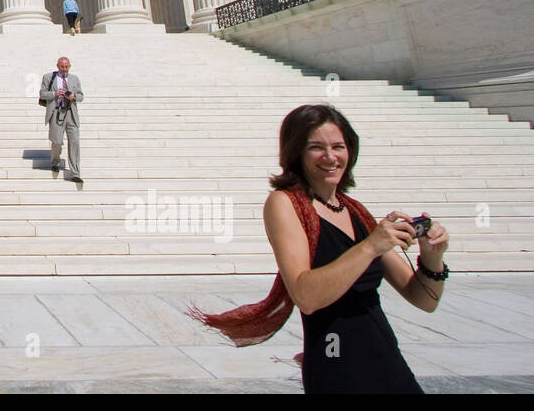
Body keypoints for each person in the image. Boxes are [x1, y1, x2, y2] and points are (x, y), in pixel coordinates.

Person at [191, 104, 450, 394]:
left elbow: (424, 300)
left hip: (387, 361)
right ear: (296, 152)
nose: (330, 157)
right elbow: (306, 296)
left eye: (338, 146)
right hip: (336, 366)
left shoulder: (356, 212)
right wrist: (370, 246)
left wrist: (432, 256)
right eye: (316, 147)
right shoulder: (286, 204)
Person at [39, 56, 84, 185]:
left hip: (71, 114)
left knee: (74, 142)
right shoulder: (48, 77)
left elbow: (81, 96)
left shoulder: (74, 79)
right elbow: (42, 94)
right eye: (62, 67)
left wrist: (73, 96)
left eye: (67, 67)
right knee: (57, 142)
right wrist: (54, 94)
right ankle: (55, 162)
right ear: (57, 66)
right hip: (57, 112)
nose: (65, 69)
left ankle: (75, 173)